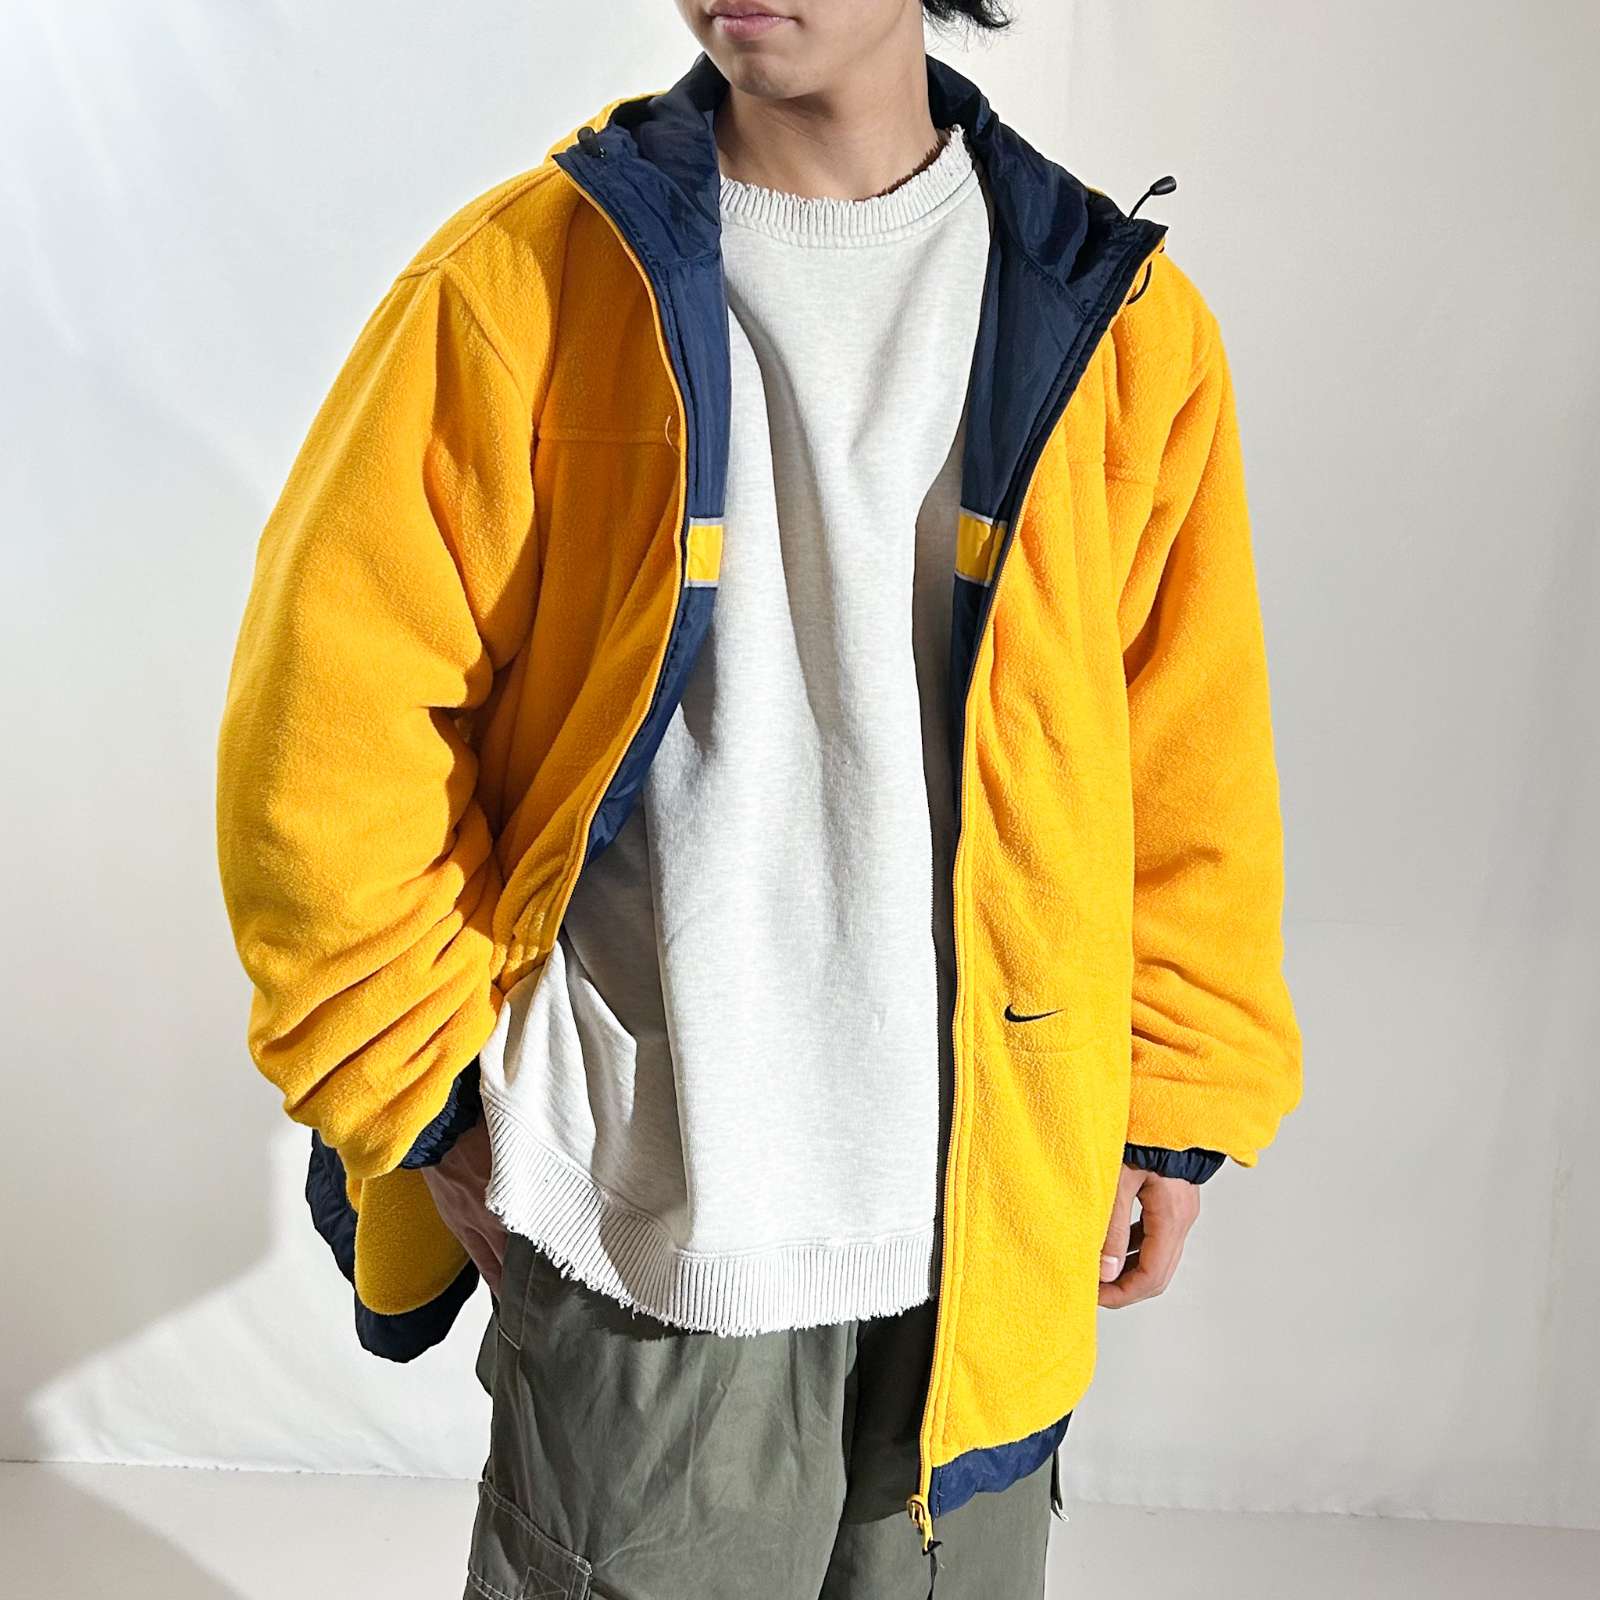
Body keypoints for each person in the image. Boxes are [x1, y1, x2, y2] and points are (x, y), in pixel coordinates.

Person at [214, 2, 1303, 1595]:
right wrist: (427, 1098)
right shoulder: (521, 285)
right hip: (649, 1212)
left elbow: (1184, 755)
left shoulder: (1116, 319)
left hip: (989, 1224)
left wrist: (1174, 1097)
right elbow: (327, 743)